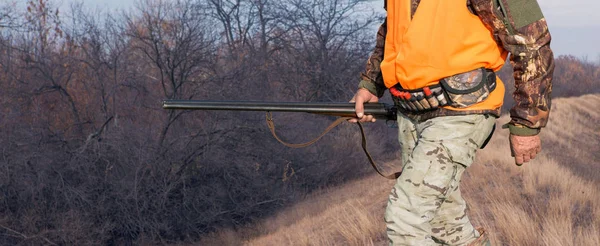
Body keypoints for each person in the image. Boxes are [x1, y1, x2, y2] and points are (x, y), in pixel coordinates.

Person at [349, 0, 554, 245]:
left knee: (405, 219)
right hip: (410, 111)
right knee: (445, 225)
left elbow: (532, 40)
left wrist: (527, 123)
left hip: (462, 110)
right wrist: (371, 85)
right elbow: (394, 30)